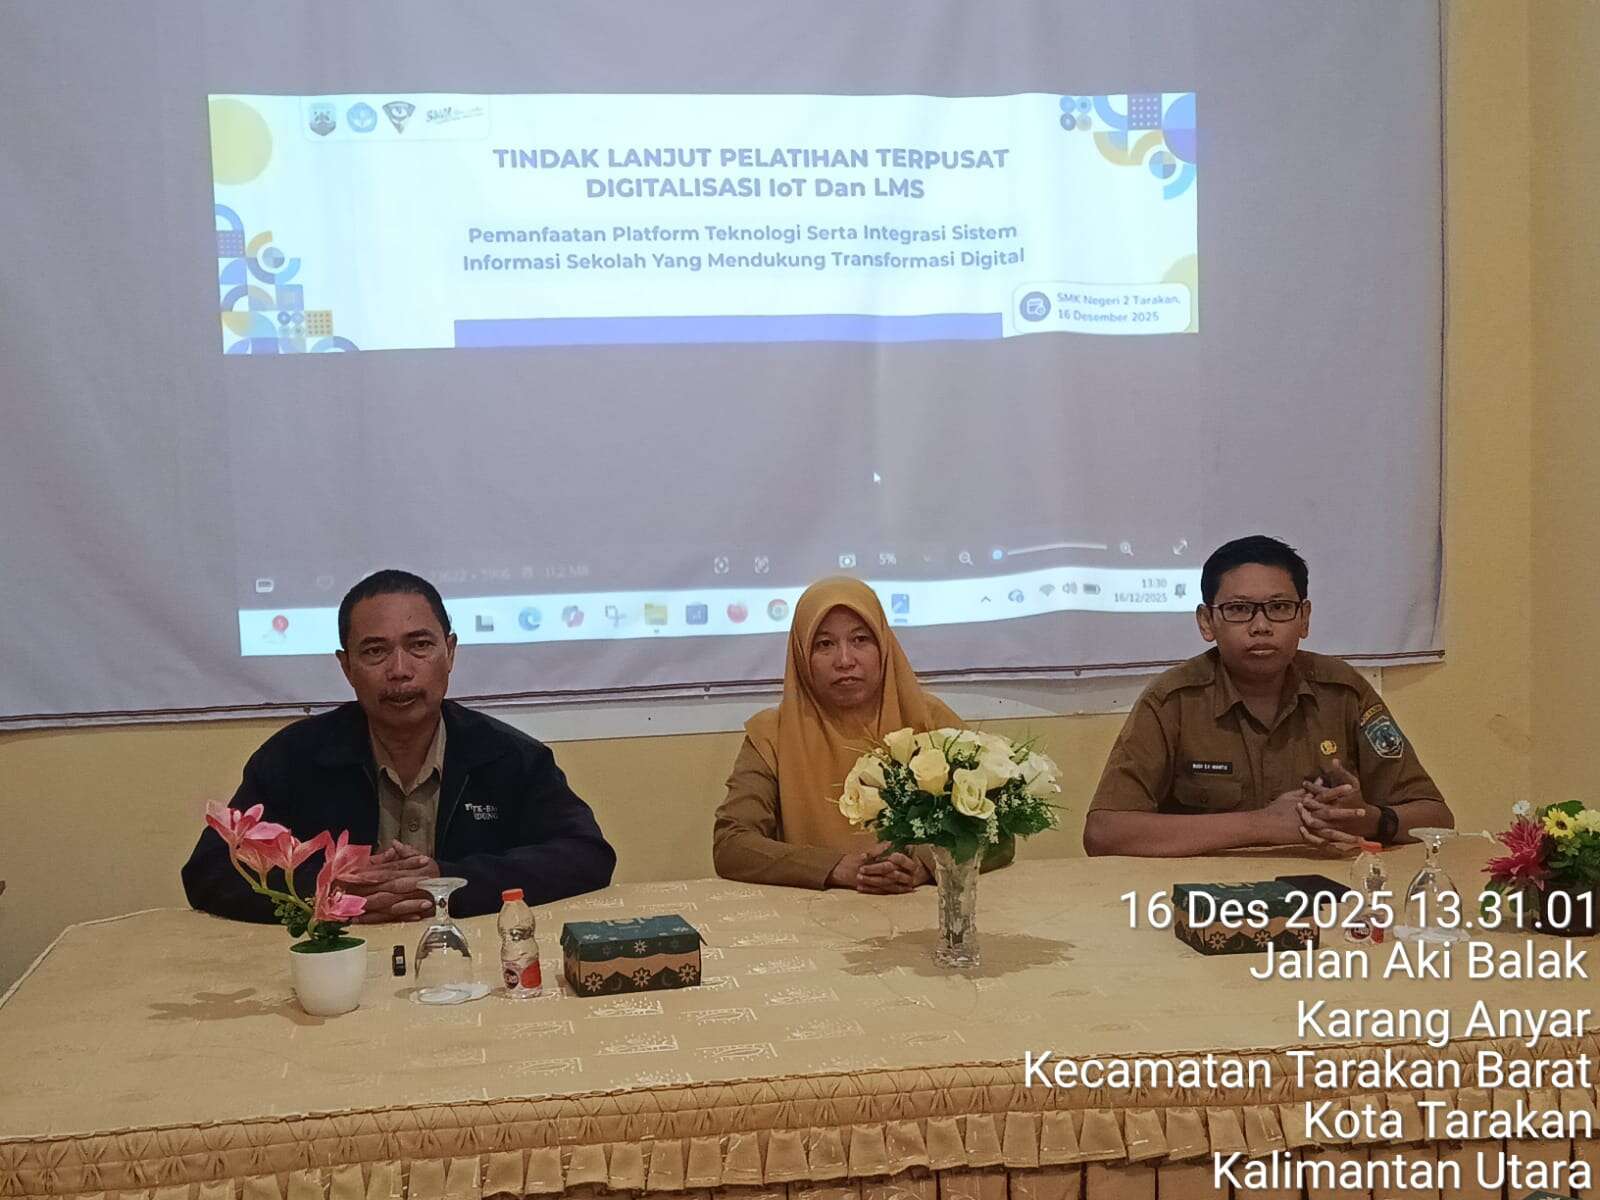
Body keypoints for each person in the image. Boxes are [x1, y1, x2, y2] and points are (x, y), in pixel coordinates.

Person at [183, 569, 615, 921]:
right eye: (375, 651)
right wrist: (331, 890)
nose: (400, 670)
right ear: (346, 667)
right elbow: (209, 871)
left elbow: (586, 855)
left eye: (420, 646)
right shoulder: (293, 758)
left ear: (450, 652)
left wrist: (446, 883)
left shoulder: (510, 756)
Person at [1083, 535, 1452, 857]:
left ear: (1304, 618)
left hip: (1325, 892)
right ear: (1207, 622)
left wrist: (1367, 819)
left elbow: (1436, 818)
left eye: (1279, 608)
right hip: (1205, 896)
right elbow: (1104, 832)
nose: (1261, 626)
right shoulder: (1172, 701)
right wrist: (1262, 825)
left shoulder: (1344, 692)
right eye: (1239, 610)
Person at [714, 576, 1013, 891]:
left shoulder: (929, 720)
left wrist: (925, 863)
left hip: (921, 912)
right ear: (801, 656)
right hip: (814, 914)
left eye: (860, 639)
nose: (845, 660)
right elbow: (731, 845)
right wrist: (835, 868)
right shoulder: (772, 735)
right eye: (824, 644)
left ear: (883, 646)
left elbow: (1002, 832)